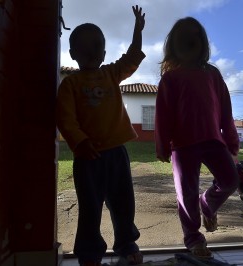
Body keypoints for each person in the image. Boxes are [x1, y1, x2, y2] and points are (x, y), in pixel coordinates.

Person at [56, 6, 146, 266]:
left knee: (124, 205)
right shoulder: (70, 85)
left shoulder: (110, 73)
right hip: (88, 157)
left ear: (105, 52)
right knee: (90, 210)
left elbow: (131, 58)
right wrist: (80, 142)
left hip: (117, 153)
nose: (92, 51)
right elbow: (65, 119)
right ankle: (89, 254)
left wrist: (137, 31)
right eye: (84, 47)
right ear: (72, 54)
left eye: (97, 46)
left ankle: (127, 244)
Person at [155, 17, 240, 258]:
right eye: (185, 37)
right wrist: (162, 145)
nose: (191, 40)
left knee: (230, 180)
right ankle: (194, 239)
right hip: (182, 146)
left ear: (202, 42)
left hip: (213, 140)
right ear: (174, 44)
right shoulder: (170, 78)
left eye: (196, 36)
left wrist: (232, 141)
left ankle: (208, 204)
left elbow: (226, 110)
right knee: (186, 194)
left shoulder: (212, 74)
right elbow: (163, 115)